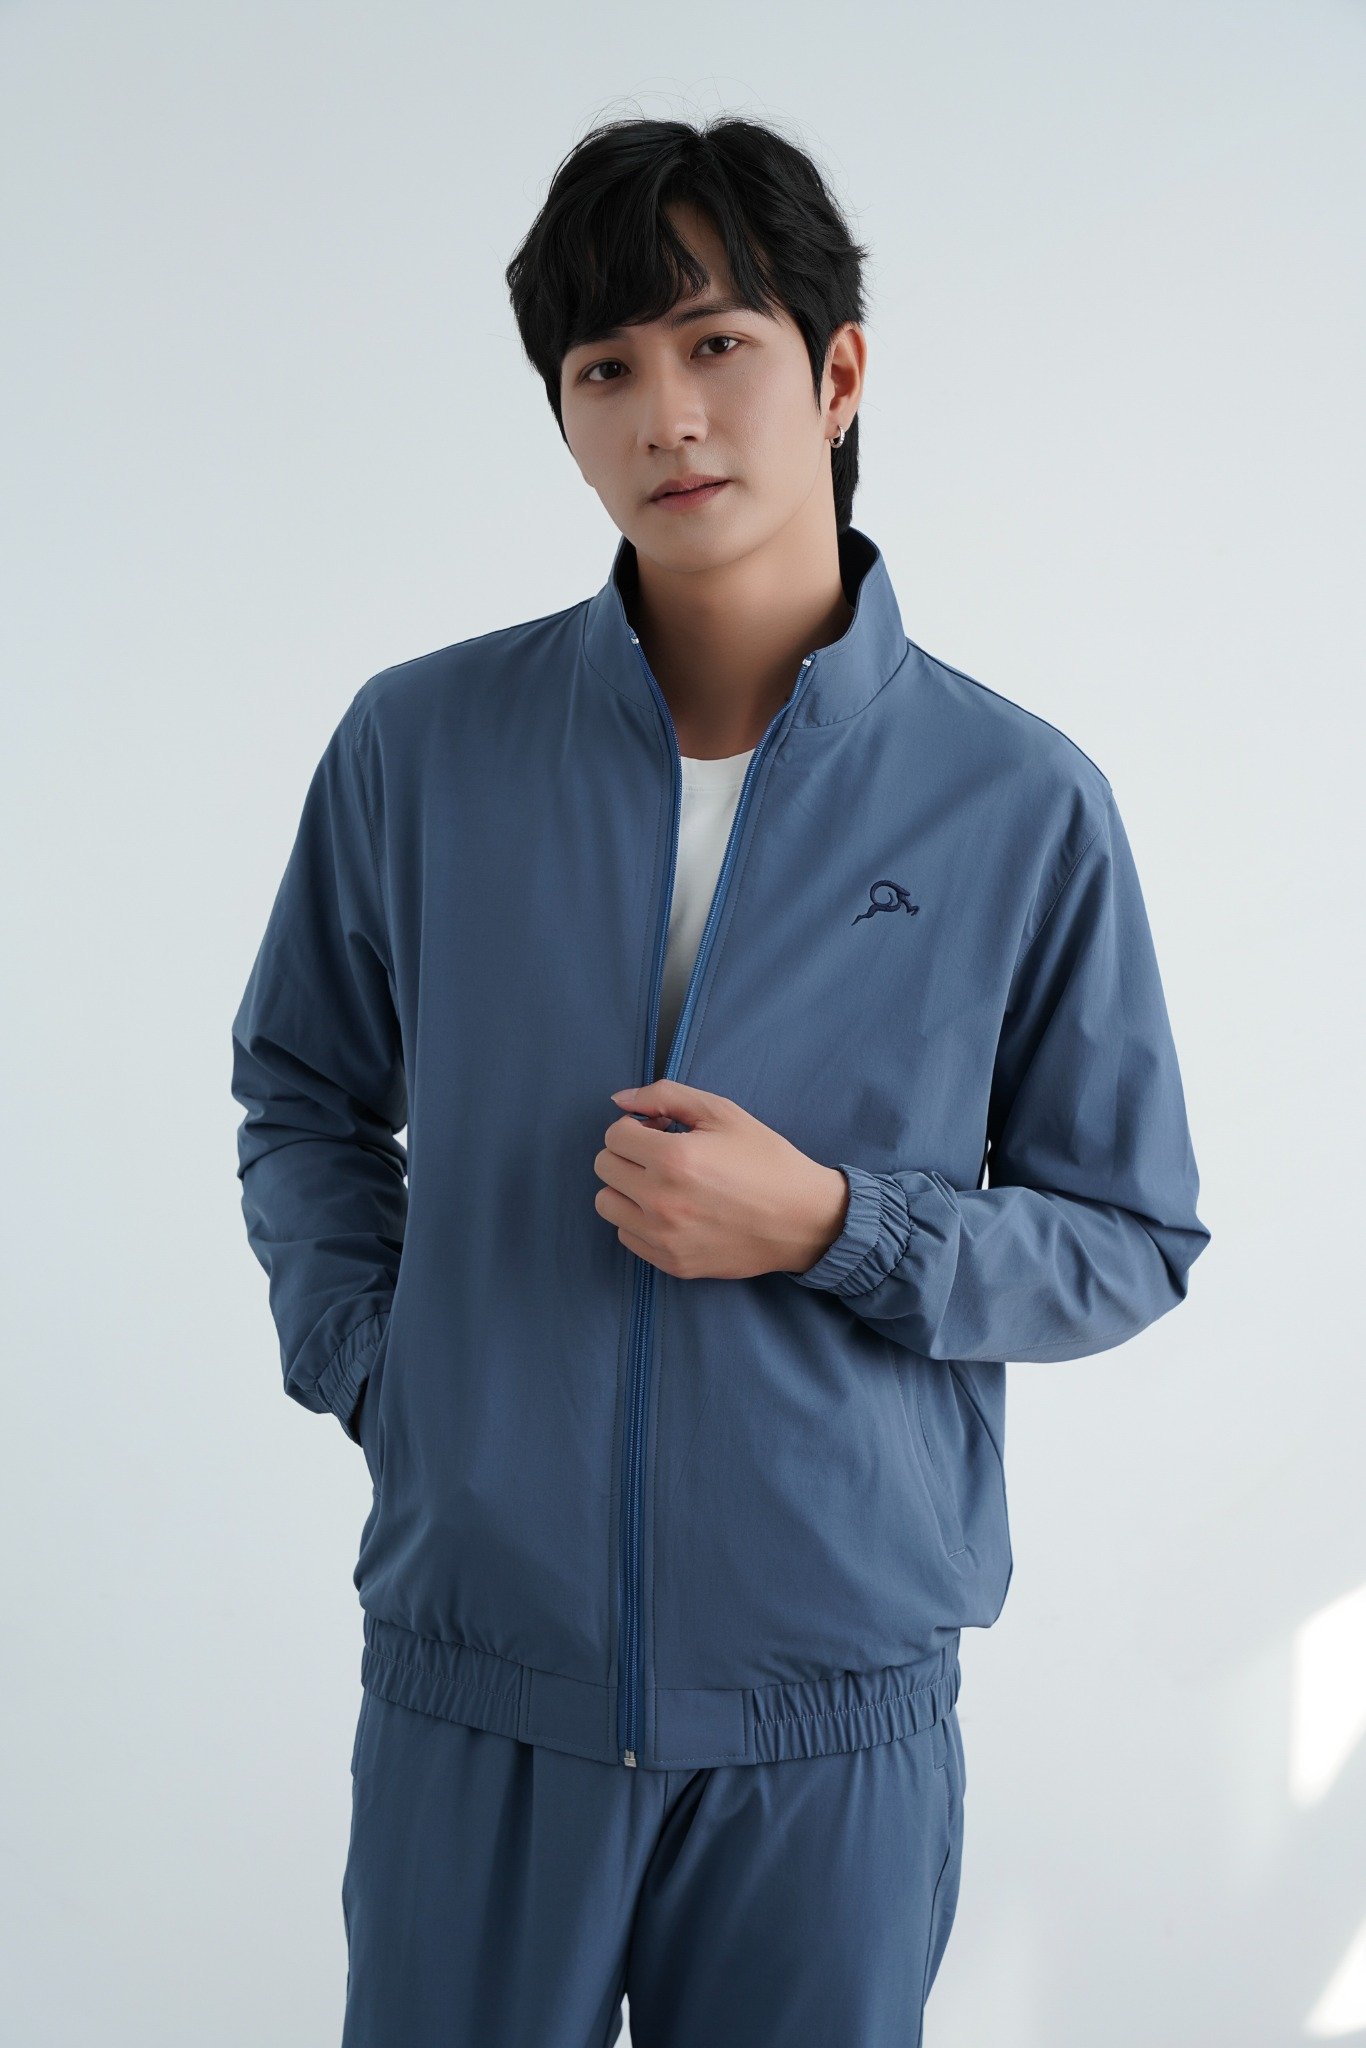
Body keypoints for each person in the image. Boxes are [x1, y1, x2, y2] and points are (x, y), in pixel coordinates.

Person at [230, 114, 1211, 2048]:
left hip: (828, 1712)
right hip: (474, 1679)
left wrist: (839, 1226)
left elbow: (1131, 1236)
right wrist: (382, 1363)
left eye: (715, 345)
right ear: (564, 419)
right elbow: (302, 1093)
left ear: (836, 375)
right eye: (604, 369)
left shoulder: (1015, 803)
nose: (666, 414)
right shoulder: (421, 747)